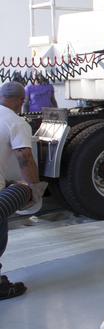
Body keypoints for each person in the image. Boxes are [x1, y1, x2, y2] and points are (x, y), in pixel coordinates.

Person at [0, 81, 43, 299]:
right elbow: (24, 156)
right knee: (18, 193)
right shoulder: (14, 122)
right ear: (21, 101)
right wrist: (33, 189)